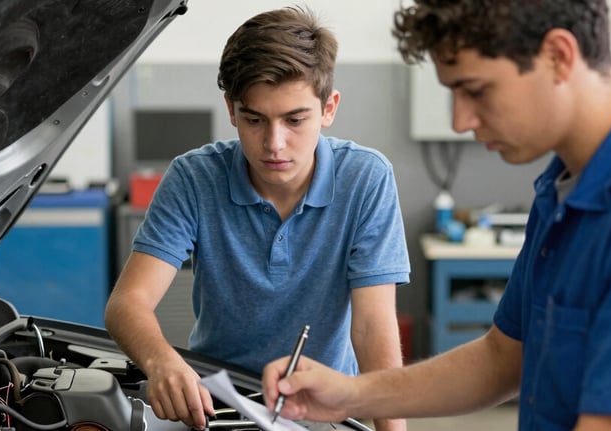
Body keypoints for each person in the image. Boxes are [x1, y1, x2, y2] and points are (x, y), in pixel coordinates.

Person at [262, 1, 611, 430]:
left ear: (558, 57)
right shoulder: (564, 186)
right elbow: (503, 358)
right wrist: (351, 394)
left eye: (475, 90)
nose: (459, 120)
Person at [104, 5, 410, 431]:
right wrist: (162, 362)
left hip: (322, 409)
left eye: (295, 119)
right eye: (254, 119)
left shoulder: (366, 178)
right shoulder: (193, 178)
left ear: (328, 108)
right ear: (231, 109)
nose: (274, 143)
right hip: (216, 408)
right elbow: (128, 303)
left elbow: (373, 328)